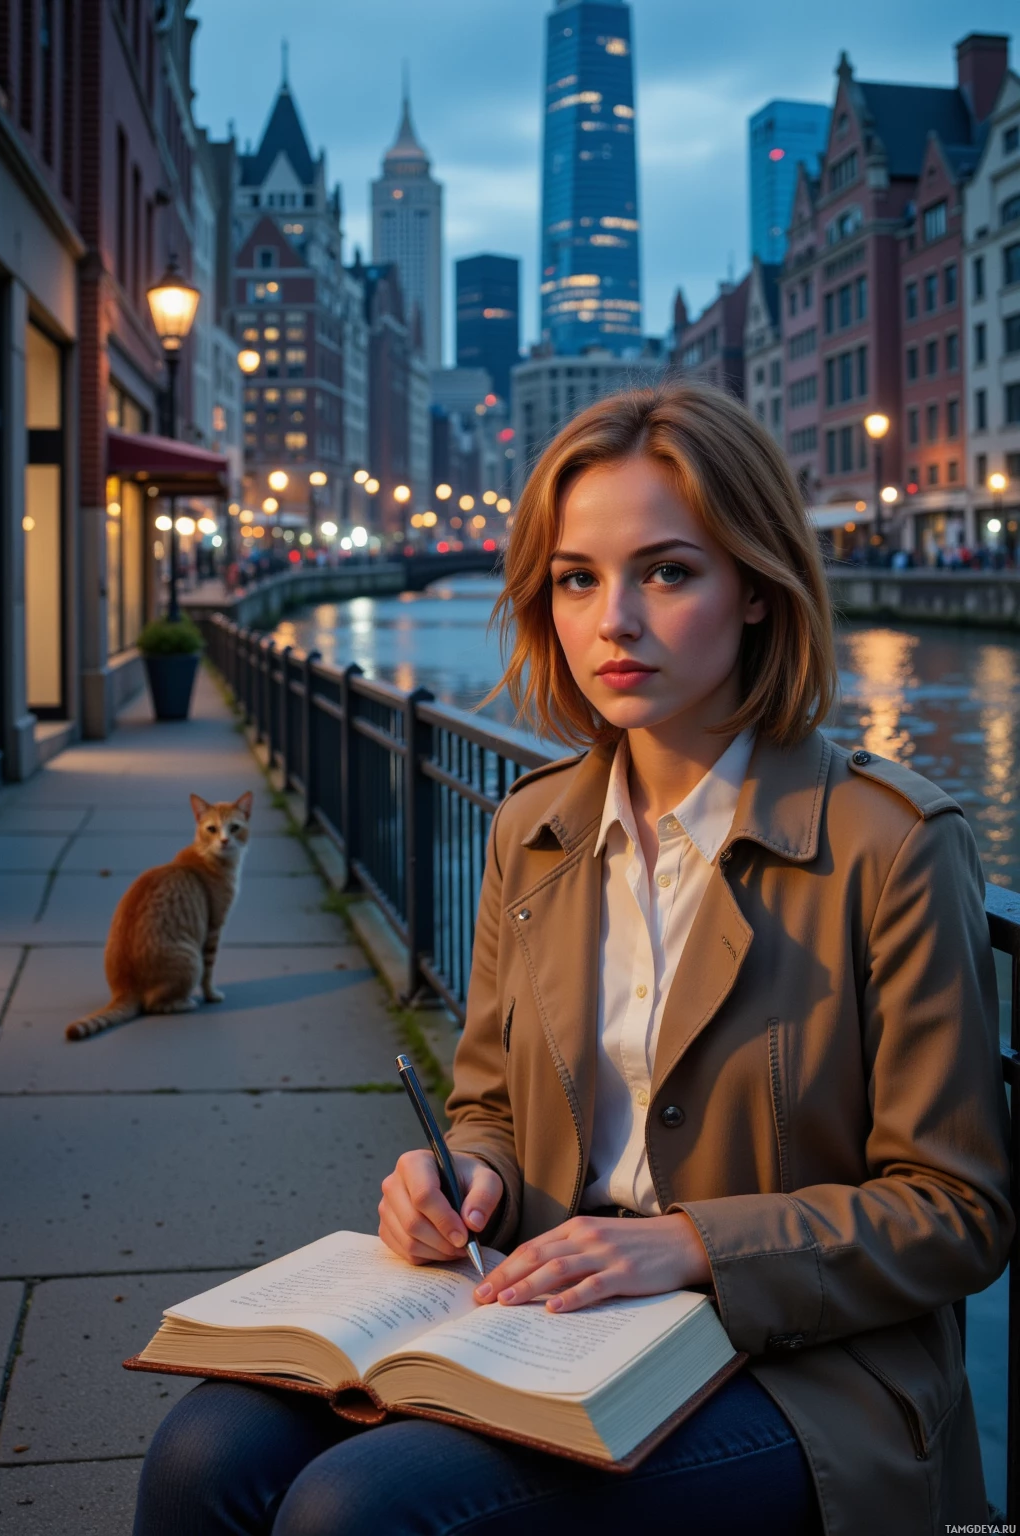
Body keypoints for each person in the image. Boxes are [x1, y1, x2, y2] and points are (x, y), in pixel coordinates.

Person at [133, 384, 1012, 1536]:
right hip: (552, 1316)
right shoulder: (534, 828)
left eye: (666, 571)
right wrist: (464, 1178)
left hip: (807, 1372)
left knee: (357, 1512)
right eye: (575, 578)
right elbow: (489, 1099)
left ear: (755, 587)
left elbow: (956, 1210)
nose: (613, 623)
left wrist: (695, 1243)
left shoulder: (889, 845)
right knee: (200, 1453)